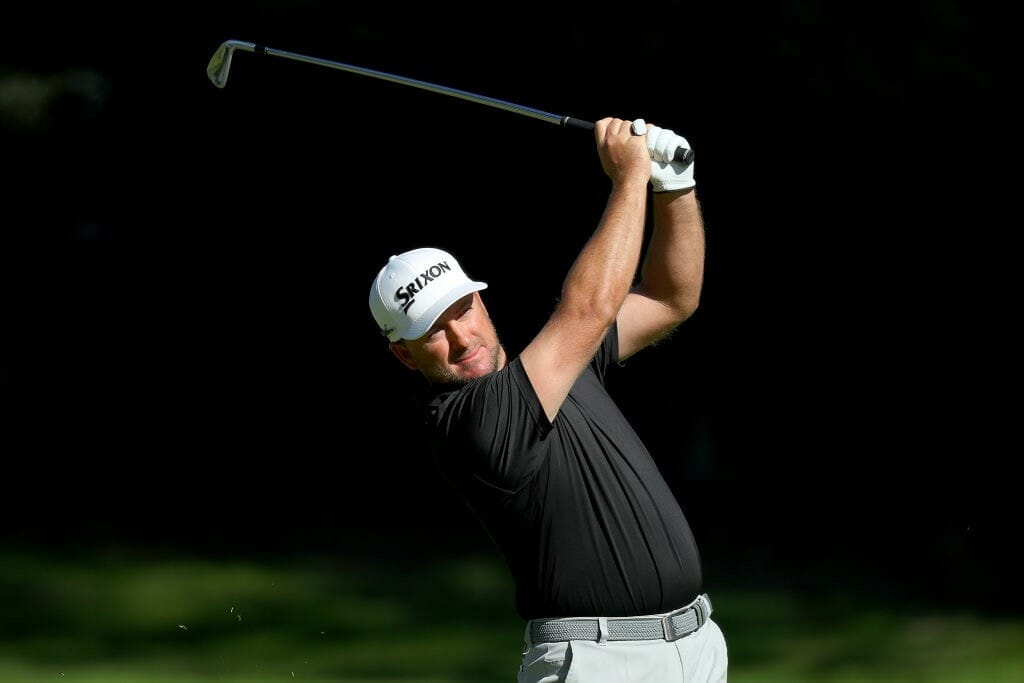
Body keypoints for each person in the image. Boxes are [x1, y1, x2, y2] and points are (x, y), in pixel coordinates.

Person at [368, 117, 726, 682]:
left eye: (462, 310)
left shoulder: (555, 368)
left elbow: (670, 296)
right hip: (598, 663)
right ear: (404, 356)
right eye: (433, 330)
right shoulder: (470, 423)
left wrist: (676, 187)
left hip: (697, 647)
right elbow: (589, 309)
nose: (461, 337)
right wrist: (630, 178)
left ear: (481, 302)